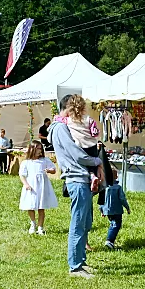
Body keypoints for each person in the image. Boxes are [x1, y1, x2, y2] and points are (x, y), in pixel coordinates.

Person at [49, 95, 104, 279]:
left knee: (85, 222)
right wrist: (97, 161)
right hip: (77, 179)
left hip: (82, 179)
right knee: (78, 223)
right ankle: (75, 266)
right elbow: (77, 154)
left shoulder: (63, 127)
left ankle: (81, 261)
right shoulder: (60, 128)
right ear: (68, 108)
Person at [55, 95, 101, 192]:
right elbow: (95, 132)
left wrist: (56, 118)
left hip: (80, 146)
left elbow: (59, 119)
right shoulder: (89, 119)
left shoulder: (68, 120)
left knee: (86, 163)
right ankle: (93, 176)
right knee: (92, 165)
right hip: (92, 145)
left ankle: (92, 177)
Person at [19, 141, 58, 235]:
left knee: (41, 207)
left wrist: (49, 170)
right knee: (31, 205)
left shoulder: (44, 160)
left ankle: (40, 227)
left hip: (42, 186)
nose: (39, 151)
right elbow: (22, 175)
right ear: (32, 149)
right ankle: (33, 223)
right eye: (37, 148)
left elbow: (53, 169)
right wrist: (26, 184)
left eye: (40, 149)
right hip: (31, 186)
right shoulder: (26, 162)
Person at [101, 168, 130, 250]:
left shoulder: (104, 187)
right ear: (116, 177)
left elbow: (101, 200)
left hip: (107, 210)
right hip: (117, 210)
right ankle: (109, 241)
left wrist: (102, 210)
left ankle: (110, 241)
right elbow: (122, 199)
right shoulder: (118, 187)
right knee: (116, 224)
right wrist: (127, 207)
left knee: (112, 223)